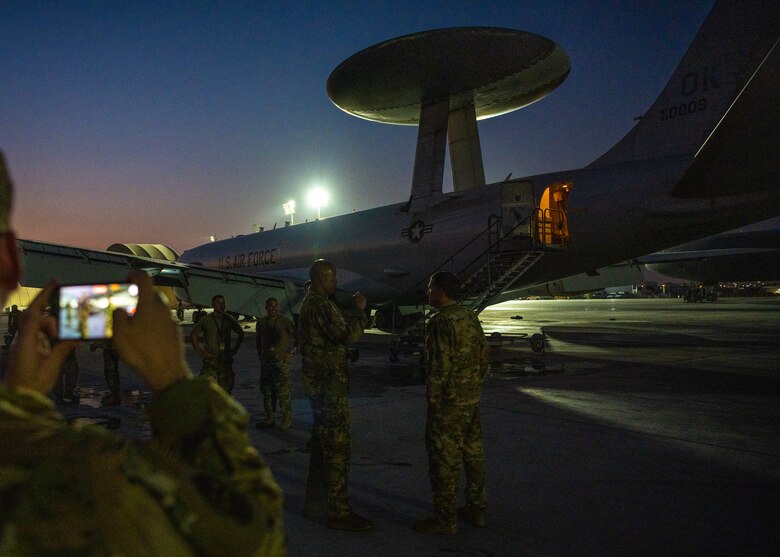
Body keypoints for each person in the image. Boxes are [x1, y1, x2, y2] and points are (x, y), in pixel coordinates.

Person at [0, 151, 285, 555]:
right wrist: (172, 379)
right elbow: (255, 535)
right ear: (11, 261)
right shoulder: (84, 476)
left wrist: (21, 403)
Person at [299, 259, 372, 531]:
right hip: (329, 388)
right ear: (321, 277)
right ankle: (339, 512)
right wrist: (360, 311)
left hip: (318, 385)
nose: (336, 282)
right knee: (338, 450)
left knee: (322, 447)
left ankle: (314, 503)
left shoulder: (310, 303)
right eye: (332, 277)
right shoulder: (322, 305)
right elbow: (347, 336)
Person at [414, 271, 489, 536]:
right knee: (473, 456)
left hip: (449, 405)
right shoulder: (470, 317)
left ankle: (445, 520)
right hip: (471, 401)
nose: (428, 292)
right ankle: (477, 510)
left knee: (444, 462)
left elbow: (438, 368)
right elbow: (483, 359)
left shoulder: (440, 322)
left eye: (430, 288)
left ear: (440, 292)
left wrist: (434, 401)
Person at [190, 294, 244, 393]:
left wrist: (235, 349)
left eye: (223, 303)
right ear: (213, 304)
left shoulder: (229, 319)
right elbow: (193, 335)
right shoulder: (206, 320)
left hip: (225, 361)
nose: (221, 305)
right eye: (218, 303)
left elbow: (240, 333)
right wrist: (201, 352)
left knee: (226, 392)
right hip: (210, 361)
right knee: (206, 391)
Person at [256, 297, 296, 429]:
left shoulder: (285, 322)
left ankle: (287, 419)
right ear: (266, 307)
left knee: (283, 391)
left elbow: (298, 337)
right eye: (271, 306)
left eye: (275, 306)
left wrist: (290, 352)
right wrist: (261, 355)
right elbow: (258, 340)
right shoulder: (261, 322)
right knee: (267, 391)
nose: (273, 308)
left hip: (280, 363)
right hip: (266, 362)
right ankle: (270, 417)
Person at [90, 338, 121, 405]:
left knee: (110, 371)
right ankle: (115, 395)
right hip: (113, 345)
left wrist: (97, 343)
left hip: (111, 346)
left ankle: (114, 396)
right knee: (111, 370)